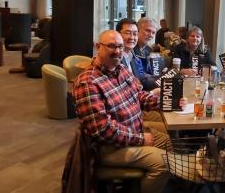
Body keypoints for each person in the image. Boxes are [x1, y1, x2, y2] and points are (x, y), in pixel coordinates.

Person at [73, 30, 181, 193]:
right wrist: (140, 139)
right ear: (98, 47)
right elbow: (103, 130)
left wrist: (169, 103)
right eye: (111, 46)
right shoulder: (87, 82)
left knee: (170, 143)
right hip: (109, 148)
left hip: (133, 133)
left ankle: (138, 183)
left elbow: (139, 95)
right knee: (166, 162)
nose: (117, 51)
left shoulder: (121, 69)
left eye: (120, 47)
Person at [134, 17, 158, 90]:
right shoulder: (130, 48)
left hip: (148, 87)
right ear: (137, 30)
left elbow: (149, 71)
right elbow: (139, 76)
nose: (151, 35)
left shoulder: (149, 49)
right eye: (147, 30)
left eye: (153, 32)